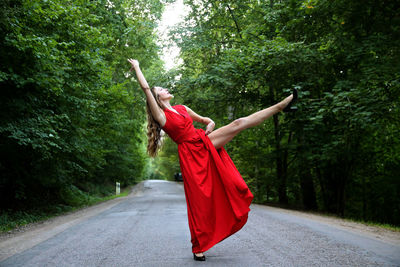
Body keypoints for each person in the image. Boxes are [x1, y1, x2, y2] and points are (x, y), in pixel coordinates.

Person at [128, 58, 297, 261]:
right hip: (190, 155)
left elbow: (206, 120)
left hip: (202, 141)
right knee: (200, 201)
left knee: (238, 123)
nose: (165, 89)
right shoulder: (161, 116)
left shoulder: (182, 108)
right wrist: (138, 66)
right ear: (157, 98)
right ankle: (198, 245)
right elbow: (146, 88)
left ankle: (282, 106)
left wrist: (211, 123)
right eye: (161, 89)